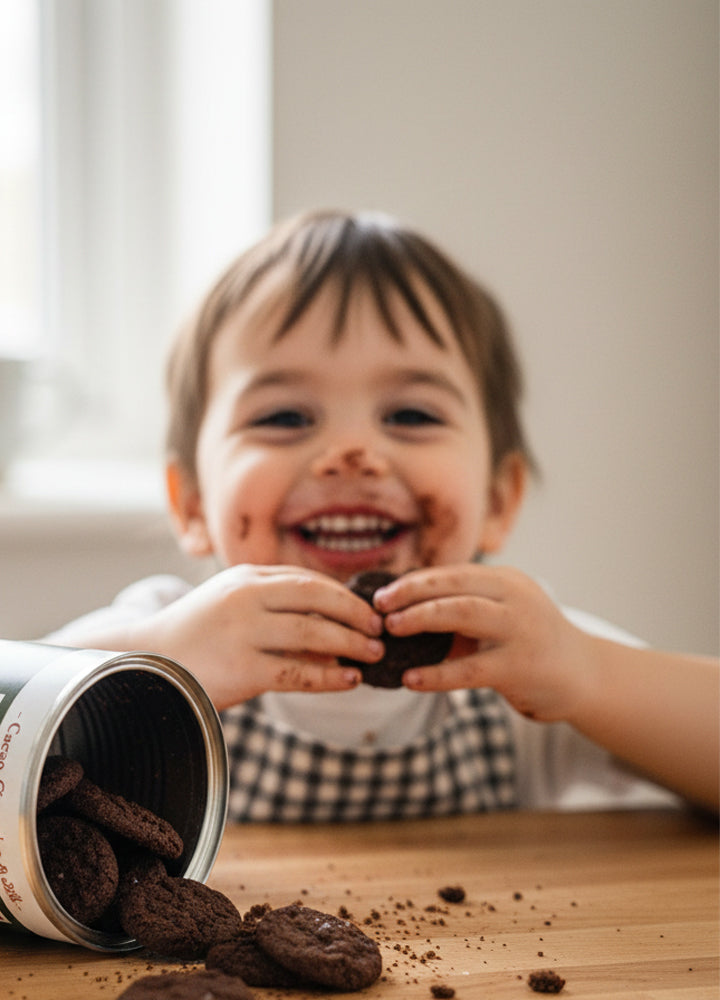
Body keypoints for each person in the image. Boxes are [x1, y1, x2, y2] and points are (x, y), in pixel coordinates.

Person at [45, 209, 719, 821]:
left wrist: (592, 676)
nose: (351, 453)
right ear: (191, 502)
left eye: (411, 415)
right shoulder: (161, 639)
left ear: (497, 499)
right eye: (284, 417)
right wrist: (150, 667)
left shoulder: (518, 665)